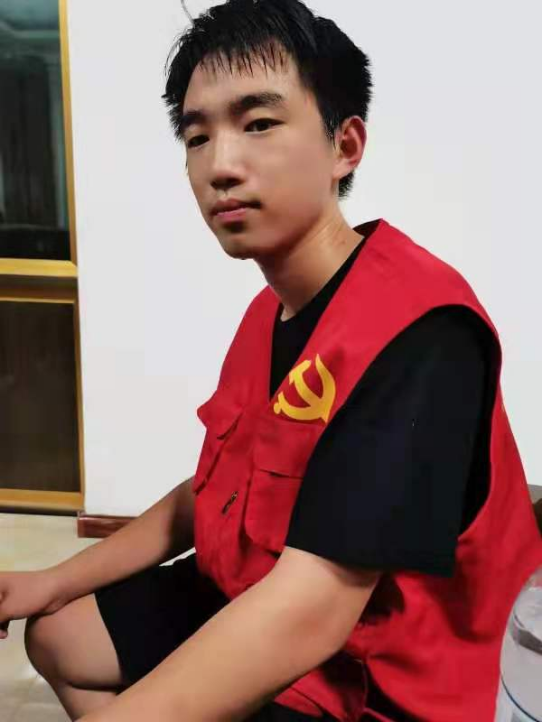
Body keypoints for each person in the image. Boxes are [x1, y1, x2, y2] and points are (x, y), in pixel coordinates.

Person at [0, 1, 541, 720]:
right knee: (58, 632)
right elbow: (211, 490)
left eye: (258, 123)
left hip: (379, 674)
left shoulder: (422, 331)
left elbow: (312, 610)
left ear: (345, 145)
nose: (221, 166)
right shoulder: (270, 312)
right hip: (261, 587)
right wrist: (52, 580)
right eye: (197, 136)